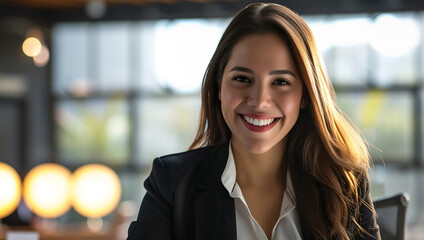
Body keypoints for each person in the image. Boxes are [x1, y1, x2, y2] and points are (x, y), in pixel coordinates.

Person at [127, 2, 380, 240]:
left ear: (305, 95)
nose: (259, 101)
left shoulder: (345, 184)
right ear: (218, 86)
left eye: (281, 82)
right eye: (242, 79)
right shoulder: (172, 183)